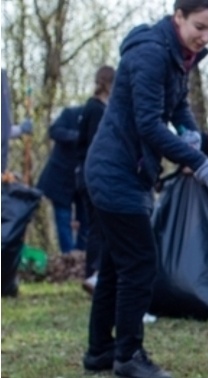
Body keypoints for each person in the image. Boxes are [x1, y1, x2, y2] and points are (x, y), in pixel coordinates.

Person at [82, 0, 208, 378]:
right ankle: (128, 354)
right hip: (116, 171)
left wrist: (191, 130)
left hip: (128, 169)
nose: (205, 37)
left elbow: (175, 104)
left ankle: (99, 351)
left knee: (117, 264)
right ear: (177, 17)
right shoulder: (151, 55)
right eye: (199, 27)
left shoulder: (180, 54)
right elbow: (148, 124)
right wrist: (199, 162)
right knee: (140, 264)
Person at [76, 65, 115, 294]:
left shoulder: (92, 108)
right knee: (97, 226)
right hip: (92, 174)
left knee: (96, 226)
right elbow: (94, 144)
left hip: (86, 172)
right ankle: (94, 273)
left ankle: (95, 272)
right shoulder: (97, 110)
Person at [36, 105, 86, 254]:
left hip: (83, 178)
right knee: (63, 217)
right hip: (61, 176)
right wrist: (77, 137)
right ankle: (68, 254)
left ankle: (82, 254)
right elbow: (55, 131)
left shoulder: (100, 119)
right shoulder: (70, 113)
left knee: (85, 218)